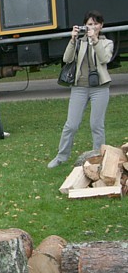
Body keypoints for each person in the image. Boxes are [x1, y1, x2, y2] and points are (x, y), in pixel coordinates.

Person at [48, 10, 114, 169]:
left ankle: (98, 157)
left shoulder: (106, 42)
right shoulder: (79, 41)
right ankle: (61, 156)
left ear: (101, 25)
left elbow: (105, 59)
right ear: (85, 25)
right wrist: (72, 39)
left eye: (96, 24)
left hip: (100, 88)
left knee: (96, 125)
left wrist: (95, 40)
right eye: (89, 24)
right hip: (79, 87)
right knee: (71, 125)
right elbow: (67, 59)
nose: (92, 27)